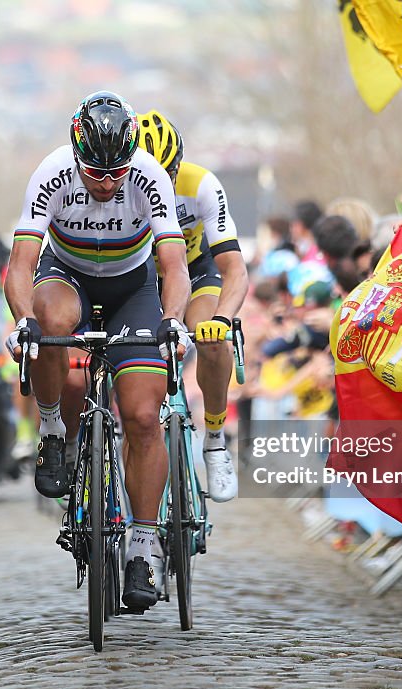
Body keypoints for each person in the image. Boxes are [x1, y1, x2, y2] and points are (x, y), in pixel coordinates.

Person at [3, 91, 191, 611]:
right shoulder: (53, 173)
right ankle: (51, 429)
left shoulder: (148, 175)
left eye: (116, 173)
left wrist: (173, 321)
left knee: (142, 414)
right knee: (51, 322)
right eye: (95, 172)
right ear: (76, 153)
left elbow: (174, 266)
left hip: (133, 287)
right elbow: (20, 264)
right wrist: (23, 323)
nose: (107, 183)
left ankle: (144, 545)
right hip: (67, 277)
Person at [136, 109, 248, 501]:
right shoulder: (116, 187)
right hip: (142, 282)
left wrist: (223, 317)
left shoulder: (201, 184)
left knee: (215, 339)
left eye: (168, 172)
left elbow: (234, 268)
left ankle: (215, 440)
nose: (161, 183)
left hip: (196, 271)